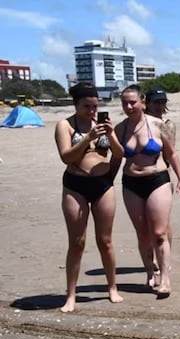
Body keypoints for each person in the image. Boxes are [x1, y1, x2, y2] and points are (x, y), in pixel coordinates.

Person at [54, 82, 125, 312]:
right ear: (76, 105)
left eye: (95, 106)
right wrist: (87, 138)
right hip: (75, 185)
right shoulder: (65, 125)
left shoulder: (101, 123)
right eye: (87, 106)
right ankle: (71, 295)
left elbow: (119, 154)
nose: (92, 111)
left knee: (105, 241)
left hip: (102, 184)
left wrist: (111, 135)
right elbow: (66, 157)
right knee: (77, 242)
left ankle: (112, 287)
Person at [116, 85, 180, 297]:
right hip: (131, 183)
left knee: (159, 233)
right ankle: (150, 272)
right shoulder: (120, 129)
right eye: (125, 103)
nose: (129, 106)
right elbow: (112, 157)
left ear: (141, 102)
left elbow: (172, 154)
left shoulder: (158, 125)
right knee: (143, 234)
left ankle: (165, 278)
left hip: (157, 179)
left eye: (133, 102)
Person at [143, 86, 180, 281]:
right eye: (156, 103)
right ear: (147, 103)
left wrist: (179, 178)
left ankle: (164, 259)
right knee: (145, 225)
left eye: (163, 103)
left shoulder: (167, 125)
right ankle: (150, 262)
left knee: (163, 223)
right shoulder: (139, 123)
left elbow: (171, 152)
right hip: (141, 178)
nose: (160, 107)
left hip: (162, 175)